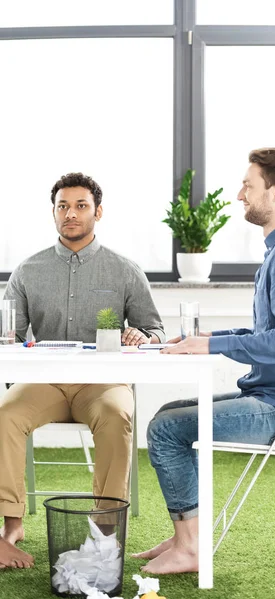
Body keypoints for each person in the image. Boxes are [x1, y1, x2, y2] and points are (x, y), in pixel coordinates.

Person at [132, 147, 275, 575]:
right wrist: (206, 338)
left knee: (166, 428)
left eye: (249, 184)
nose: (240, 194)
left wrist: (210, 347)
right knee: (170, 413)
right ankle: (187, 536)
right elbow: (269, 336)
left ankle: (191, 548)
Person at [0, 172, 165, 568]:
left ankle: (104, 532)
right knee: (5, 414)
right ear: (53, 213)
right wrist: (14, 341)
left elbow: (156, 330)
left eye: (80, 205)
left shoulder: (125, 270)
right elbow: (10, 336)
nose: (70, 213)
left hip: (104, 384)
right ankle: (11, 527)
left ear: (98, 211)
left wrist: (140, 336)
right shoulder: (28, 271)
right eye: (62, 206)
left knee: (117, 414)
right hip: (45, 383)